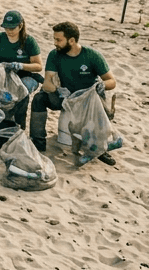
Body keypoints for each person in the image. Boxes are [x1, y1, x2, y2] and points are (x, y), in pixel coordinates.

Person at [30, 21, 118, 164]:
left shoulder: (92, 55)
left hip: (88, 99)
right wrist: (58, 90)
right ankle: (37, 142)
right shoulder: (55, 55)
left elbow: (111, 81)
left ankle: (101, 149)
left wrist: (101, 86)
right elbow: (47, 83)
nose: (55, 43)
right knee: (39, 99)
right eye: (54, 39)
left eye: (58, 40)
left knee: (101, 104)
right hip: (65, 97)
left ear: (71, 40)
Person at [0, 10, 43, 128]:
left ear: (20, 26)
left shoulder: (28, 41)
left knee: (21, 90)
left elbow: (38, 66)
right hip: (4, 74)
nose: (9, 31)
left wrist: (19, 65)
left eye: (12, 28)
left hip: (25, 75)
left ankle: (19, 123)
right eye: (6, 28)